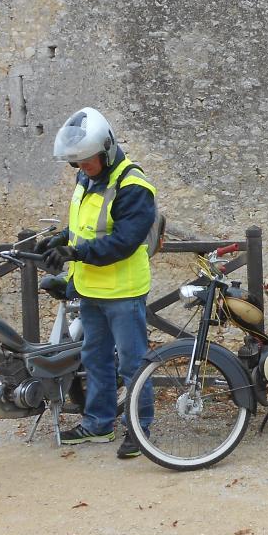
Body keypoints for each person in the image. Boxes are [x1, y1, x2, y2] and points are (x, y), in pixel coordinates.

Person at [46, 107, 156, 459]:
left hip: (123, 292)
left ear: (106, 150)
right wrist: (57, 240)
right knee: (95, 359)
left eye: (87, 161)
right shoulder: (85, 179)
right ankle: (99, 423)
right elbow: (86, 226)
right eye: (76, 164)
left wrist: (74, 253)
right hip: (91, 288)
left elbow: (123, 242)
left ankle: (140, 429)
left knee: (133, 363)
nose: (81, 169)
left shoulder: (134, 186)